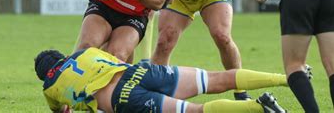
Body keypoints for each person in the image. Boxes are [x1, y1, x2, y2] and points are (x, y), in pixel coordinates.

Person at [34, 47, 288, 113]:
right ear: (63, 56)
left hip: (123, 98)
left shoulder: (50, 90)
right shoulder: (84, 53)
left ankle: (258, 107)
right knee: (216, 78)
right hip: (140, 72)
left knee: (196, 110)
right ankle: (286, 79)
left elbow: (63, 110)